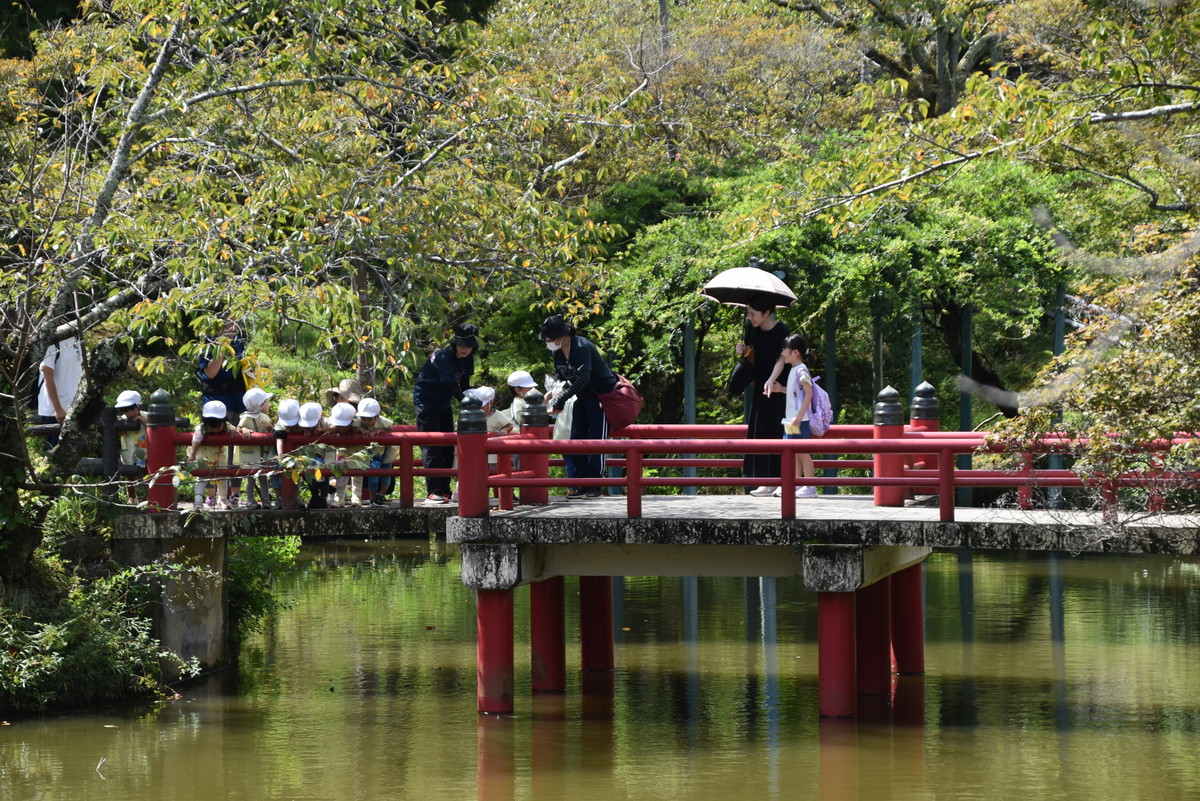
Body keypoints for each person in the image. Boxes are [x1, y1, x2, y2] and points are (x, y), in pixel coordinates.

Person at [538, 315, 616, 499]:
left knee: (597, 442)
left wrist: (562, 399)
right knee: (576, 440)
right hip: (581, 397)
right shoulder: (557, 352)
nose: (548, 343)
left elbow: (583, 378)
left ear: (561, 336)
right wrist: (554, 387)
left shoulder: (582, 346)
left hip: (600, 397)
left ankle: (596, 484)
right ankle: (580, 484)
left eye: (550, 339)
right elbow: (563, 375)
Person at [413, 323, 479, 504]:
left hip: (444, 403)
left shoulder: (468, 359)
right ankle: (433, 491)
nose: (465, 349)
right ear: (455, 344)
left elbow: (464, 385)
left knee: (448, 446)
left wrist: (472, 400)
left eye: (469, 346)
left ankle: (444, 489)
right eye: (462, 345)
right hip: (426, 402)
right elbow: (453, 387)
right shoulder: (443, 357)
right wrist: (468, 402)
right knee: (432, 446)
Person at [739, 294, 790, 496]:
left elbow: (781, 358)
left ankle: (779, 481)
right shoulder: (752, 329)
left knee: (777, 432)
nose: (750, 317)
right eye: (748, 313)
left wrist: (771, 380)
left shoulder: (781, 330)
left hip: (777, 386)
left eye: (753, 313)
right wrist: (741, 351)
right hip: (761, 385)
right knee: (760, 431)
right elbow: (750, 354)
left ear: (767, 313)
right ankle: (764, 481)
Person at [197, 320, 247, 504]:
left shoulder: (240, 340)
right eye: (228, 323)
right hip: (215, 404)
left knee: (235, 454)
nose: (232, 327)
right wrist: (222, 343)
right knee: (212, 452)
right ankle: (212, 496)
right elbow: (211, 373)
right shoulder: (206, 343)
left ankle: (234, 495)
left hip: (239, 402)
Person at [776, 333, 818, 499]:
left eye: (785, 349)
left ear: (795, 352)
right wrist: (782, 389)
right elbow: (797, 394)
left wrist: (800, 416)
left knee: (803, 452)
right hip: (792, 419)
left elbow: (809, 393)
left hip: (799, 419)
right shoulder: (795, 370)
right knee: (794, 453)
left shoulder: (801, 370)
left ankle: (810, 486)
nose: (783, 352)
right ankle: (797, 483)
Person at [187, 400, 242, 510]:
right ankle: (198, 500)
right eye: (212, 426)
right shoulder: (201, 428)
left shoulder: (227, 426)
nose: (215, 430)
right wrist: (192, 455)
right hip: (204, 456)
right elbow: (196, 441)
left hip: (220, 457)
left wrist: (236, 430)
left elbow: (236, 429)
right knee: (202, 477)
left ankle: (222, 499)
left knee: (222, 477)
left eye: (218, 426)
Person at [37, 335, 84, 446]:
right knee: (54, 451)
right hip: (55, 412)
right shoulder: (53, 342)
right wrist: (58, 409)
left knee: (73, 453)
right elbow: (47, 376)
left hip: (74, 408)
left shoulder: (77, 339)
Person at [354, 397, 399, 506]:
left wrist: (381, 430)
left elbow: (390, 430)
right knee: (372, 475)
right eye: (364, 418)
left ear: (377, 416)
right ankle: (372, 497)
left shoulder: (383, 422)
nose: (366, 421)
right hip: (370, 454)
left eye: (369, 419)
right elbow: (352, 428)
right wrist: (361, 429)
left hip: (385, 452)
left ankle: (381, 494)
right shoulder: (359, 422)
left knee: (386, 473)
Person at [237, 387, 275, 510]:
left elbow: (273, 432)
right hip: (251, 454)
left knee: (263, 476)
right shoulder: (245, 418)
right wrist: (244, 429)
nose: (268, 404)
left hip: (263, 453)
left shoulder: (265, 418)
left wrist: (269, 427)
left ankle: (266, 500)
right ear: (261, 404)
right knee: (251, 478)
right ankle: (250, 499)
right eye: (267, 401)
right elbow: (238, 429)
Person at [466, 387, 514, 470]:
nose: (479, 407)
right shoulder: (472, 415)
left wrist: (504, 430)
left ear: (491, 403)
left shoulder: (497, 415)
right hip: (477, 452)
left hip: (493, 454)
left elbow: (509, 425)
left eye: (481, 405)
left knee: (494, 474)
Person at [114, 389, 147, 505]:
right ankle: (132, 497)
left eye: (132, 409)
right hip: (129, 453)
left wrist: (141, 420)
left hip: (144, 451)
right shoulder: (122, 420)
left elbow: (153, 428)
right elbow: (120, 433)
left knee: (147, 473)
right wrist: (126, 424)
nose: (130, 413)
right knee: (130, 476)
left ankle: (151, 496)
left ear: (138, 407)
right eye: (126, 410)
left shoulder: (145, 416)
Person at [325, 401, 359, 507]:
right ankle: (339, 498)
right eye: (339, 425)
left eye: (344, 425)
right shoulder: (330, 425)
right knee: (340, 476)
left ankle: (357, 497)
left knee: (358, 475)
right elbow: (326, 428)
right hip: (342, 454)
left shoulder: (358, 424)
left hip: (357, 452)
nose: (342, 428)